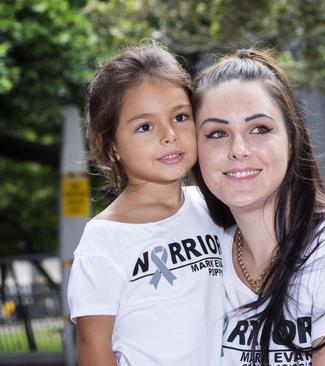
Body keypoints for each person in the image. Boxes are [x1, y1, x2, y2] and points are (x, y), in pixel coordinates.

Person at [192, 49, 325, 366]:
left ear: (292, 139)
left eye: (259, 129)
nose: (238, 150)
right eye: (216, 134)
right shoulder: (201, 259)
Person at [67, 42, 227, 366]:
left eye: (180, 116)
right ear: (110, 146)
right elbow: (92, 346)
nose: (169, 135)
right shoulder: (104, 239)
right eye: (145, 126)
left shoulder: (214, 206)